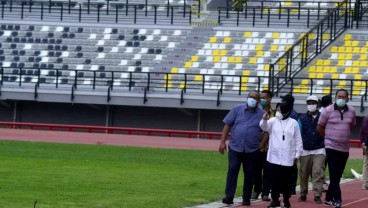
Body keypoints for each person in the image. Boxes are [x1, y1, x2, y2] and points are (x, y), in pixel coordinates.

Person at [219, 90, 264, 206]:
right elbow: (227, 125)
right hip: (235, 147)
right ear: (247, 97)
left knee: (249, 173)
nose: (252, 99)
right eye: (250, 97)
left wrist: (262, 144)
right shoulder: (236, 109)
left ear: (258, 101)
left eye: (255, 98)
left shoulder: (262, 114)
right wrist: (222, 142)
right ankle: (229, 196)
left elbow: (268, 131)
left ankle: (246, 198)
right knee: (232, 170)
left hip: (252, 149)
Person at [317, 89, 356, 208]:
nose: (341, 99)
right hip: (331, 146)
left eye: (344, 97)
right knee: (333, 173)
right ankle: (337, 198)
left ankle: (328, 197)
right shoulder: (327, 111)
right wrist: (329, 137)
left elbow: (352, 125)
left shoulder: (352, 111)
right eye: (339, 96)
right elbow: (320, 127)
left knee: (337, 175)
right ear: (335, 97)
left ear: (347, 99)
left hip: (344, 148)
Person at [260, 102, 303, 208]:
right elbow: (264, 127)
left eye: (280, 110)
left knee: (287, 181)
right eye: (277, 110)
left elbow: (298, 139)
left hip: (288, 156)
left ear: (285, 111)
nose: (277, 112)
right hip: (274, 156)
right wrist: (264, 119)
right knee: (274, 180)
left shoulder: (293, 123)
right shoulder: (273, 121)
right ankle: (275, 200)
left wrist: (297, 154)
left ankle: (286, 199)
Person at [298, 95, 326, 204]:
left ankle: (317, 195)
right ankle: (303, 193)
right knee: (304, 173)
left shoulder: (323, 116)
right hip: (305, 149)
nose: (311, 105)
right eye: (309, 103)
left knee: (318, 172)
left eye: (313, 103)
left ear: (318, 104)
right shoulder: (302, 118)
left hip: (320, 149)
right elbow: (299, 133)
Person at [251, 90, 274, 201]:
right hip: (256, 145)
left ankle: (265, 192)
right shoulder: (256, 112)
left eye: (265, 98)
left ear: (270, 99)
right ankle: (256, 190)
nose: (262, 100)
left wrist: (262, 143)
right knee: (256, 170)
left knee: (267, 170)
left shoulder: (274, 113)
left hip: (269, 147)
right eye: (261, 98)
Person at [281, 93, 299, 195]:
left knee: (291, 166)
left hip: (290, 143)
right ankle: (288, 186)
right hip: (285, 143)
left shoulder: (292, 115)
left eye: (283, 101)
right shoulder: (290, 113)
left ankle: (291, 187)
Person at [359, 114, 368, 190]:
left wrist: (363, 142)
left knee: (366, 164)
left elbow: (362, 131)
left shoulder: (365, 118)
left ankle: (365, 183)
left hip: (365, 143)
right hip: (367, 143)